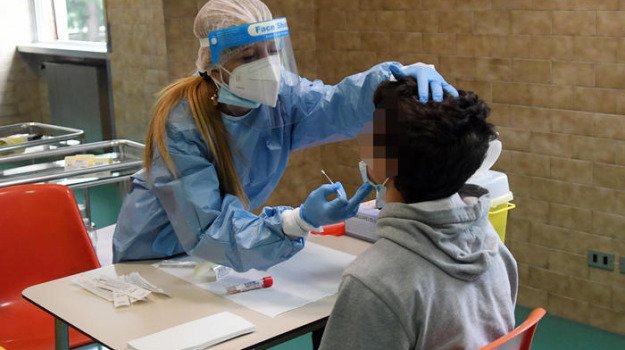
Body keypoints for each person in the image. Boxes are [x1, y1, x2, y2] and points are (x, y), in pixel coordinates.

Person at [112, 0, 458, 272]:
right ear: (214, 66)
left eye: (272, 50)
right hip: (156, 257)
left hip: (216, 255)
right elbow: (207, 229)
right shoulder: (182, 124)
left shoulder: (281, 98)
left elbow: (335, 106)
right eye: (249, 56)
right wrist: (297, 221)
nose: (269, 67)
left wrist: (388, 81)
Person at [319, 78, 518, 350]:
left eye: (372, 132)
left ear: (386, 163)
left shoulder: (373, 282)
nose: (363, 139)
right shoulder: (493, 245)